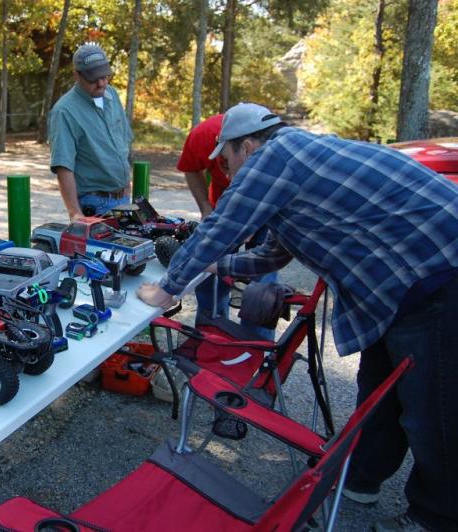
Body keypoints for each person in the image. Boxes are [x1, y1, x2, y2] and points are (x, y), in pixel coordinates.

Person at [138, 102, 458, 531]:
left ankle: (437, 516)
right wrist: (213, 266)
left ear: (247, 146)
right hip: (404, 283)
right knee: (379, 388)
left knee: (432, 406)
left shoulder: (277, 156)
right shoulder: (297, 164)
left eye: (228, 159)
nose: (227, 172)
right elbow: (271, 253)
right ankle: (361, 478)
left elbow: (220, 228)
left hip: (440, 272)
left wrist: (165, 289)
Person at [177, 113, 278, 339]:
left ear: (247, 148)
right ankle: (212, 338)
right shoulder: (201, 136)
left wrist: (249, 227)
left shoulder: (270, 147)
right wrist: (205, 208)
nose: (228, 171)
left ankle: (255, 348)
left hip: (266, 205)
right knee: (211, 273)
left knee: (262, 279)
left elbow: (276, 196)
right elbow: (191, 169)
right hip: (222, 208)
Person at [49, 42, 133, 220]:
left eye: (105, 76)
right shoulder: (64, 111)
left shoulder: (112, 95)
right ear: (77, 75)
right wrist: (75, 213)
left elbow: (124, 142)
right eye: (93, 78)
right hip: (95, 204)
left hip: (124, 199)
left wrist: (127, 186)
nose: (101, 83)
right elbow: (64, 166)